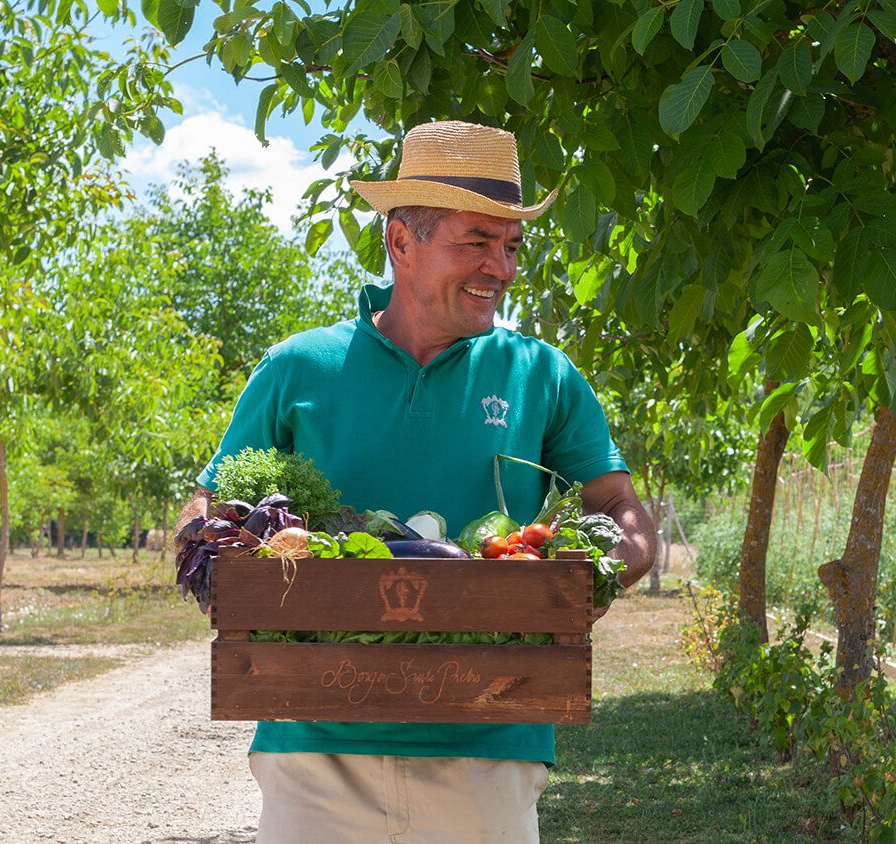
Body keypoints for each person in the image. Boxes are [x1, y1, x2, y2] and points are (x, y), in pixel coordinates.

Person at [179, 120, 656, 843]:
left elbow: (622, 509)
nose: (503, 267)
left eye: (512, 245)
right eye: (477, 242)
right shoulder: (298, 369)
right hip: (317, 747)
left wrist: (593, 577)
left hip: (491, 743)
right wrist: (214, 548)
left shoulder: (542, 375)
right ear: (402, 242)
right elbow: (209, 506)